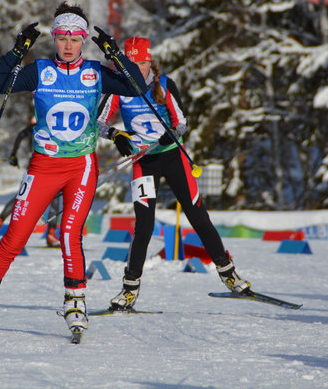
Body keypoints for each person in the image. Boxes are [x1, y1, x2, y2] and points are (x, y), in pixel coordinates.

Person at [0, 2, 145, 334]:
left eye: (75, 38)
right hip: (43, 165)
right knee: (16, 235)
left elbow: (137, 87)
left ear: (83, 40)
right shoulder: (40, 71)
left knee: (69, 233)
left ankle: (75, 302)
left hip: (80, 167)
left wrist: (116, 54)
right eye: (61, 37)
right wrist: (17, 50)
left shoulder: (95, 72)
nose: (67, 45)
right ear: (54, 39)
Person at [97, 37, 251, 311]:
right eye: (132, 63)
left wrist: (171, 135)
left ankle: (229, 274)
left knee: (197, 215)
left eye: (143, 62)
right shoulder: (117, 89)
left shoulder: (164, 85)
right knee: (143, 225)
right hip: (143, 161)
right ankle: (129, 289)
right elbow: (98, 122)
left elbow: (181, 123)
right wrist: (116, 134)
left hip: (172, 156)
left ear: (150, 61)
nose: (139, 68)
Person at [0, 117, 62, 248]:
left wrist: (13, 155)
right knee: (51, 199)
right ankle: (51, 235)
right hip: (43, 168)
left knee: (23, 198)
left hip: (42, 168)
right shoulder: (50, 124)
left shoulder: (43, 122)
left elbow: (21, 134)